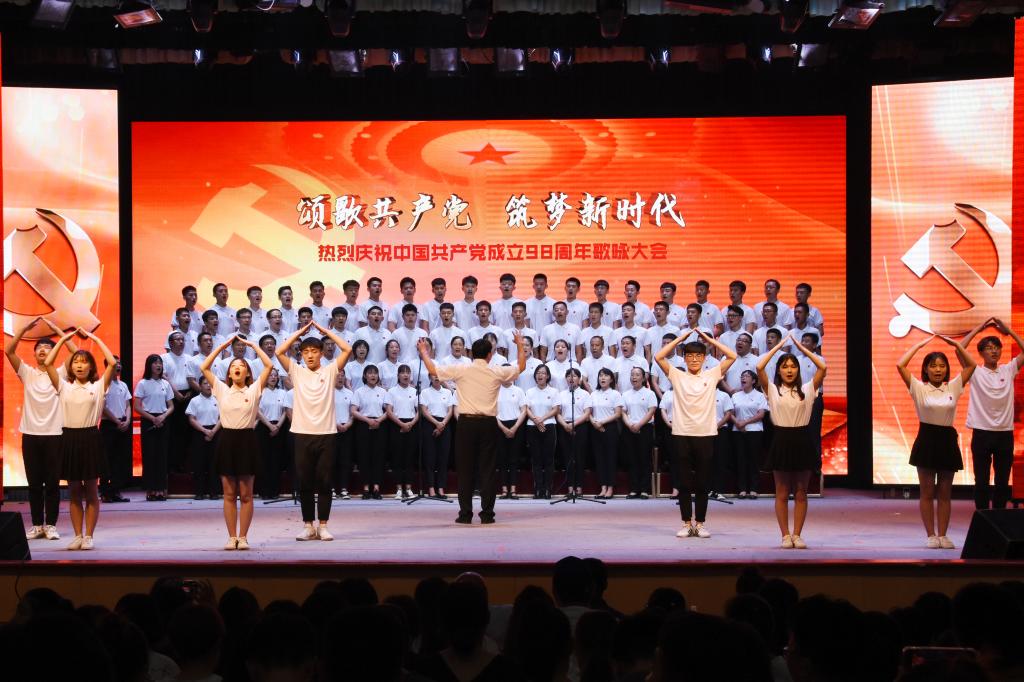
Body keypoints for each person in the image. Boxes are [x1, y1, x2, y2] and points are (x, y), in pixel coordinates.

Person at [417, 333, 526, 523]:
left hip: (466, 423)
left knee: (465, 469)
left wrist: (423, 351)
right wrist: (519, 344)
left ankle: (465, 514)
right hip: (488, 423)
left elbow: (433, 369)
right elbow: (521, 367)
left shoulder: (462, 369)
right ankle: (487, 515)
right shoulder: (496, 371)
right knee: (488, 469)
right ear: (490, 355)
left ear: (472, 354)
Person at [897, 334, 976, 549]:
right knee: (927, 492)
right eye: (933, 366)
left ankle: (943, 535)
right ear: (926, 369)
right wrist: (919, 344)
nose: (938, 370)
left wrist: (956, 344)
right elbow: (900, 365)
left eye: (942, 366)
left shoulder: (953, 386)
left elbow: (971, 365)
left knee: (945, 493)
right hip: (926, 440)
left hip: (947, 441)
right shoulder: (919, 387)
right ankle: (931, 535)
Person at [655, 330, 737, 539]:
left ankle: (700, 524)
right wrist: (680, 339)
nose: (693, 359)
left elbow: (732, 356)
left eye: (698, 355)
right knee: (683, 482)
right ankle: (686, 523)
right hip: (681, 433)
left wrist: (709, 340)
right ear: (684, 357)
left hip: (705, 434)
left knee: (702, 482)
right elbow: (659, 357)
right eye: (689, 355)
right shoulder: (677, 375)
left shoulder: (712, 374)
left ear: (704, 358)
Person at [276, 320, 353, 541]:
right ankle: (308, 525)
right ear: (301, 354)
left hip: (326, 434)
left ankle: (324, 525)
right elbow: (280, 352)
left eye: (314, 351)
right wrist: (299, 332)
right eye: (306, 352)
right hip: (302, 433)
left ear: (321, 353)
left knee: (325, 481)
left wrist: (325, 332)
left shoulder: (330, 371)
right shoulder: (297, 371)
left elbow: (347, 349)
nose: (310, 355)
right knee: (305, 481)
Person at [43, 328, 116, 550]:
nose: (79, 366)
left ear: (91, 367)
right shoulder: (63, 386)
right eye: (76, 362)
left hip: (91, 439)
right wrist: (64, 339)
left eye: (84, 362)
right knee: (74, 492)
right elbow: (48, 363)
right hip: (69, 439)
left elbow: (112, 363)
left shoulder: (98, 386)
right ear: (71, 367)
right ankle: (77, 535)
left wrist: (95, 338)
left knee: (91, 491)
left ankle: (89, 536)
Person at [199, 334, 273, 550]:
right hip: (227, 441)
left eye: (241, 366)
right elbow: (204, 367)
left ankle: (244, 537)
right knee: (229, 494)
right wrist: (222, 346)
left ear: (247, 372)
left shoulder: (254, 389)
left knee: (247, 494)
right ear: (229, 373)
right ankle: (232, 537)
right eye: (233, 366)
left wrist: (252, 345)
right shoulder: (221, 389)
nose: (237, 368)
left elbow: (269, 365)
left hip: (247, 441)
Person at [6, 317, 74, 540]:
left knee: (52, 484)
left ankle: (51, 525)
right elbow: (9, 351)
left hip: (55, 434)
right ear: (34, 354)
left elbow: (75, 353)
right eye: (39, 348)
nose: (43, 350)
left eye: (48, 347)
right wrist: (24, 329)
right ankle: (36, 525)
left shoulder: (60, 374)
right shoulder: (27, 373)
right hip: (31, 434)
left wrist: (58, 330)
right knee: (34, 484)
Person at [757, 332, 827, 549]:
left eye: (793, 366)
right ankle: (785, 535)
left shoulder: (807, 389)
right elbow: (759, 367)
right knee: (781, 491)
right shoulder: (772, 389)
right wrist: (779, 347)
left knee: (801, 492)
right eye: (785, 366)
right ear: (779, 370)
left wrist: (800, 347)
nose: (789, 370)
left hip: (802, 440)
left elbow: (822, 367)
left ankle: (797, 534)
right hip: (781, 440)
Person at [960, 317, 1024, 510]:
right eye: (988, 348)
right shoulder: (975, 371)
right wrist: (978, 328)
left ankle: (999, 518)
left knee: (1002, 482)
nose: (994, 351)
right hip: (982, 433)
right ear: (981, 353)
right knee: (981, 481)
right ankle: (982, 516)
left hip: (1004, 433)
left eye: (996, 347)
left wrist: (1008, 330)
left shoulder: (1008, 369)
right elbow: (959, 348)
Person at [134, 354, 174, 502]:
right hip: (148, 421)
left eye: (160, 363)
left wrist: (162, 417)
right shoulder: (143, 383)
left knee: (162, 456)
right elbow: (137, 407)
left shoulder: (166, 384)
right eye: (155, 363)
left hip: (163, 421)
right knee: (150, 455)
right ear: (149, 365)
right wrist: (153, 419)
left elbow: (171, 406)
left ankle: (161, 489)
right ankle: (150, 489)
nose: (158, 365)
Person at [730, 370, 768, 500]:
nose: (743, 378)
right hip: (738, 431)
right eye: (742, 376)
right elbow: (730, 413)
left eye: (746, 376)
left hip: (754, 430)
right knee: (740, 460)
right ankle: (742, 489)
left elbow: (761, 414)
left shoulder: (759, 396)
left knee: (754, 460)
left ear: (753, 381)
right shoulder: (735, 396)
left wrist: (745, 422)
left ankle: (753, 489)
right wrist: (738, 423)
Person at [352, 364, 388, 500]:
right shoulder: (359, 392)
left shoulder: (383, 392)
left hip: (380, 425)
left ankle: (376, 488)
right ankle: (366, 488)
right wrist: (368, 421)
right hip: (363, 425)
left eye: (375, 373)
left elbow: (389, 411)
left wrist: (378, 420)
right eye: (370, 373)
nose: (373, 375)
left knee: (378, 457)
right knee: (364, 456)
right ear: (365, 376)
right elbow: (353, 411)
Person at [99, 355, 132, 503]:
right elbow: (103, 407)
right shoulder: (102, 384)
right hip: (109, 425)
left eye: (119, 363)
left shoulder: (123, 385)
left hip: (123, 424)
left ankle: (116, 491)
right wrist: (116, 421)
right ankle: (105, 492)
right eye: (115, 364)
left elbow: (128, 405)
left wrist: (127, 420)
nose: (118, 366)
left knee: (120, 459)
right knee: (107, 459)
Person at [621, 367, 657, 499]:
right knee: (632, 458)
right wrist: (630, 425)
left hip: (645, 428)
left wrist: (639, 424)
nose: (634, 377)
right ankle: (634, 489)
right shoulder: (625, 394)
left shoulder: (649, 393)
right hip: (629, 428)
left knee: (644, 458)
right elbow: (623, 412)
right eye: (632, 375)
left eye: (637, 375)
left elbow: (651, 411)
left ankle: (644, 489)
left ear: (643, 378)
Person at [525, 364, 560, 500]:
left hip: (549, 425)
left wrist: (542, 419)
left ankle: (547, 489)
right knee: (536, 459)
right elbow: (526, 408)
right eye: (538, 373)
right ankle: (538, 488)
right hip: (532, 426)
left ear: (548, 376)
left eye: (543, 373)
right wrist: (535, 420)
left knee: (549, 458)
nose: (540, 375)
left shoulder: (554, 392)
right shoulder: (529, 392)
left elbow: (556, 409)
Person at [184, 375, 221, 501]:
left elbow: (222, 418)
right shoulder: (195, 401)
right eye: (205, 383)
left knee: (214, 464)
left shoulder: (217, 399)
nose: (208, 386)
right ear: (200, 386)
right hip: (199, 432)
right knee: (199, 464)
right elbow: (191, 419)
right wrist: (205, 431)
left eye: (210, 383)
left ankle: (214, 492)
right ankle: (199, 492)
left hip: (215, 432)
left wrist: (213, 431)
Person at [385, 365, 420, 499]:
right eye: (403, 373)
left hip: (412, 425)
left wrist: (411, 423)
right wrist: (401, 424)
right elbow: (389, 411)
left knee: (410, 457)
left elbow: (419, 411)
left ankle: (409, 488)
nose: (406, 375)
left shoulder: (415, 391)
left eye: (408, 373)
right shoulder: (392, 391)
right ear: (398, 375)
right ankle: (399, 488)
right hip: (396, 425)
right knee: (397, 457)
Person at [556, 367, 592, 497]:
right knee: (568, 457)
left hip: (580, 426)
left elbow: (587, 413)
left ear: (579, 379)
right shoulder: (561, 394)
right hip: (564, 426)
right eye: (569, 376)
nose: (571, 378)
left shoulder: (585, 394)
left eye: (574, 376)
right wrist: (565, 425)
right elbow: (557, 413)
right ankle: (570, 488)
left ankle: (579, 488)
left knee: (580, 457)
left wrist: (574, 424)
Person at [590, 368, 624, 499]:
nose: (602, 378)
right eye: (600, 375)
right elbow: (588, 412)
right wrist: (594, 423)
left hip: (610, 428)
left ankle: (610, 487)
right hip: (595, 428)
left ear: (611, 379)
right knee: (599, 458)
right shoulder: (593, 394)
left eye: (605, 376)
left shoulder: (615, 394)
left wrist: (602, 422)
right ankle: (603, 487)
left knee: (610, 458)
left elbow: (618, 414)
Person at [420, 374, 456, 499]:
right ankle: (431, 488)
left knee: (443, 457)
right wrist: (436, 424)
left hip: (445, 424)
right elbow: (424, 410)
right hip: (429, 424)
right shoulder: (425, 392)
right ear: (429, 377)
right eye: (434, 376)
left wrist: (442, 424)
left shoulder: (447, 392)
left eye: (439, 376)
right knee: (430, 457)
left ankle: (441, 487)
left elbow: (450, 410)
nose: (437, 378)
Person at [257, 368, 290, 500]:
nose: (273, 377)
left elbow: (285, 411)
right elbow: (257, 411)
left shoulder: (283, 393)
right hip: (264, 427)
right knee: (264, 459)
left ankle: (275, 491)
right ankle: (264, 491)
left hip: (279, 427)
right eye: (270, 375)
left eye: (275, 375)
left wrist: (277, 426)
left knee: (276, 460)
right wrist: (270, 426)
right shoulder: (261, 392)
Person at [496, 375, 528, 500]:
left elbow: (524, 410)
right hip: (500, 425)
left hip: (516, 425)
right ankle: (504, 489)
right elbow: (492, 411)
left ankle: (513, 489)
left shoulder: (518, 390)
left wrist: (515, 427)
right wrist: (503, 428)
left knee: (514, 458)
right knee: (502, 458)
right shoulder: (495, 390)